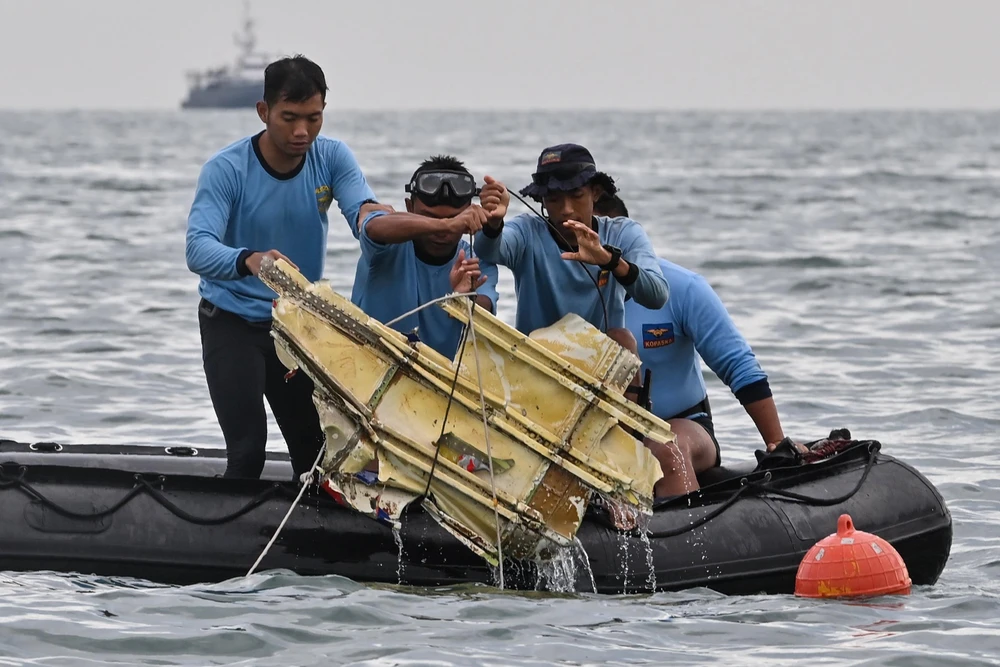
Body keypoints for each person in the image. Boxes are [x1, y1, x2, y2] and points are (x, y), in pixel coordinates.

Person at [185, 55, 386, 480]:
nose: (302, 132)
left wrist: (428, 224)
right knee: (248, 453)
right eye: (289, 118)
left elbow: (363, 214)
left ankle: (313, 544)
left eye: (313, 118)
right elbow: (197, 250)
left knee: (318, 459)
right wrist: (250, 260)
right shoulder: (226, 169)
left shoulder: (330, 158)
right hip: (232, 322)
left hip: (295, 328)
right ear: (264, 112)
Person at [475, 144, 688, 496]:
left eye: (576, 196)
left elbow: (656, 293)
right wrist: (494, 223)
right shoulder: (528, 232)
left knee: (623, 340)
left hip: (602, 378)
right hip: (537, 371)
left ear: (595, 193)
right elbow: (492, 250)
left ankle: (620, 481)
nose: (566, 210)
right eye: (554, 199)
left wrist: (608, 260)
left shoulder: (622, 234)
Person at [593, 193, 791, 485]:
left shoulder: (683, 287)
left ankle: (686, 528)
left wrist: (777, 443)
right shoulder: (566, 296)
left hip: (684, 427)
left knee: (663, 449)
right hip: (597, 431)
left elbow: (739, 366)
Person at [351, 155, 500, 358]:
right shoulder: (386, 246)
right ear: (409, 208)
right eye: (429, 217)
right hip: (367, 366)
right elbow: (372, 227)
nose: (442, 231)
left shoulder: (476, 260)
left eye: (455, 218)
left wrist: (464, 301)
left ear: (469, 213)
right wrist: (448, 224)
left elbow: (487, 307)